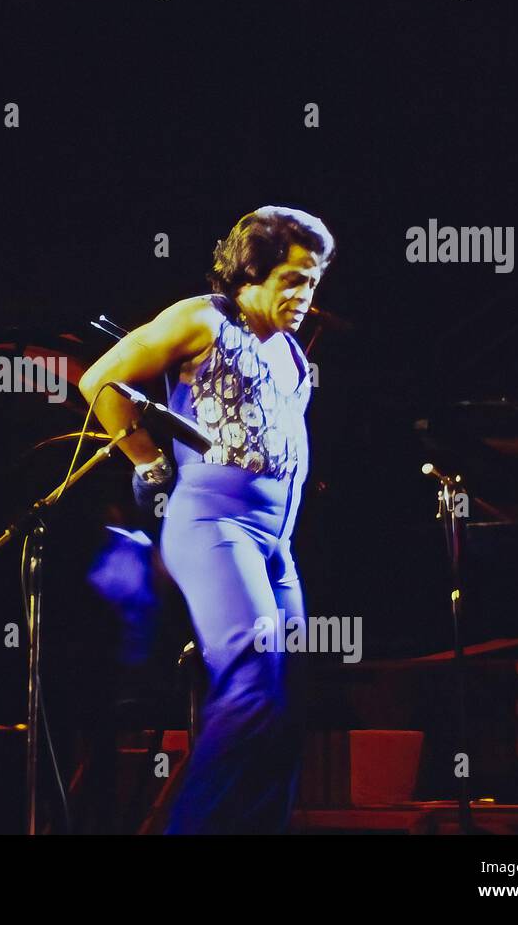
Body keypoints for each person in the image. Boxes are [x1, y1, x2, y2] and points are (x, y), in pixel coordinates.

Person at [78, 205, 334, 833]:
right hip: (215, 525)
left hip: (277, 547)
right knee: (250, 684)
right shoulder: (205, 317)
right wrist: (151, 465)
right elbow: (101, 380)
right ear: (253, 272)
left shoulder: (292, 354)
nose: (306, 295)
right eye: (294, 279)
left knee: (288, 704)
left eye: (314, 280)